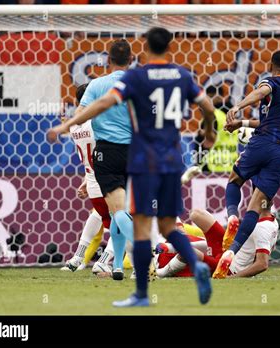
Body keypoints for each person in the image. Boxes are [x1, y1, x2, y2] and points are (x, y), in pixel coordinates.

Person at [47, 27, 216, 307]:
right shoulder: (180, 76)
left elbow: (102, 103)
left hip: (120, 153)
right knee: (164, 221)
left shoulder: (136, 78)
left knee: (123, 215)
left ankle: (137, 280)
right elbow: (208, 107)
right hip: (160, 153)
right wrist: (210, 133)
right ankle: (183, 265)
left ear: (147, 48)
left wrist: (67, 124)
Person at [213, 50, 280, 278]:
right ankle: (231, 253)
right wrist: (242, 123)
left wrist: (237, 107)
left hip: (263, 143)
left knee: (234, 182)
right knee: (257, 205)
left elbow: (261, 91)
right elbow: (268, 119)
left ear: (271, 64)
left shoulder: (271, 82)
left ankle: (232, 216)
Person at [72, 39, 133, 281]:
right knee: (127, 212)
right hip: (133, 151)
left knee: (116, 214)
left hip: (104, 159)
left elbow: (78, 118)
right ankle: (136, 255)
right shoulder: (138, 85)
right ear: (131, 59)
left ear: (108, 60)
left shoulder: (96, 85)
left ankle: (111, 263)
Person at [62, 83, 115, 274]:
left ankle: (77, 257)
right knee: (127, 221)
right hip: (109, 179)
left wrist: (86, 178)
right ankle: (105, 260)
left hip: (93, 182)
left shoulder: (75, 127)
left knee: (98, 215)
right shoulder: (99, 123)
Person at [155, 207, 278, 278]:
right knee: (196, 214)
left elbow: (262, 264)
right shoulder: (270, 222)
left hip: (226, 266)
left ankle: (160, 274)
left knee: (187, 249)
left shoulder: (263, 227)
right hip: (227, 250)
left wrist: (231, 278)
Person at [196, 85, 239, 173]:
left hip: (211, 165)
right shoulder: (233, 116)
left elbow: (210, 139)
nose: (209, 100)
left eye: (211, 97)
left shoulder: (212, 115)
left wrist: (204, 133)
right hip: (230, 165)